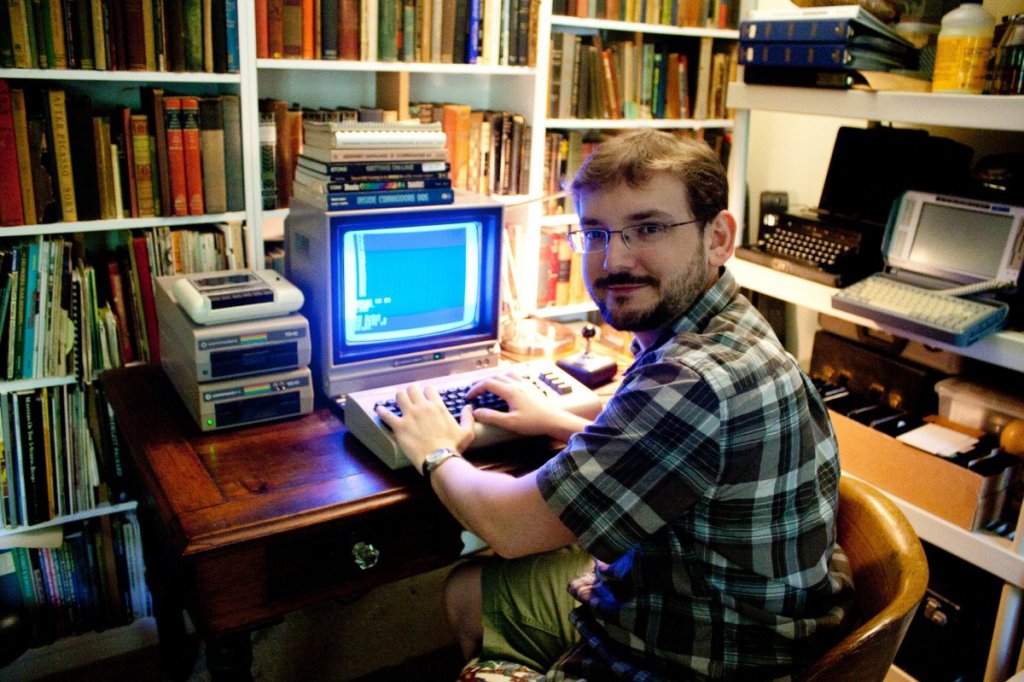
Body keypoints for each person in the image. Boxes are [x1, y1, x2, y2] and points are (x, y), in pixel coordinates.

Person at [376, 129, 854, 681]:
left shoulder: (692, 380)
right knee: (471, 591)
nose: (613, 260)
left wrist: (435, 450)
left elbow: (506, 526)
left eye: (648, 228)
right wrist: (555, 418)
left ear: (718, 237)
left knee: (472, 583)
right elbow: (668, 439)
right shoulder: (731, 328)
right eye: (596, 233)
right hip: (753, 626)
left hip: (693, 660)